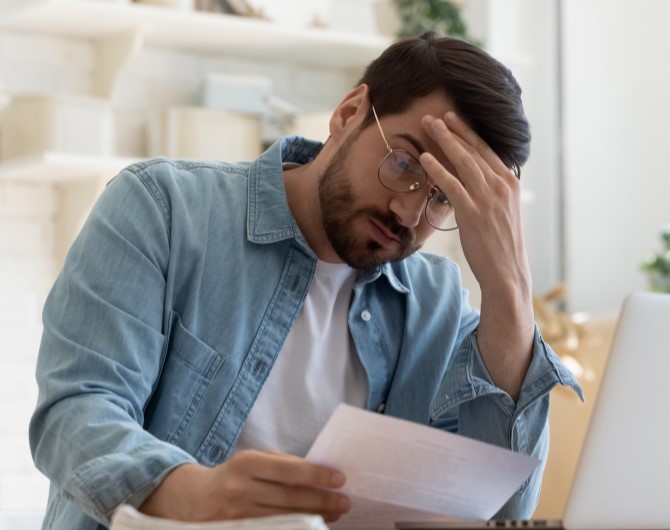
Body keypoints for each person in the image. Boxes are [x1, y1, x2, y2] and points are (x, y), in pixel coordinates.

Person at [29, 32, 582, 529]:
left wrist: (510, 289)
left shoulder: (435, 303)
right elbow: (75, 412)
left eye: (442, 197)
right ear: (349, 113)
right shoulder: (165, 211)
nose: (408, 212)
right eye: (406, 164)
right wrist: (196, 494)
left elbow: (502, 512)